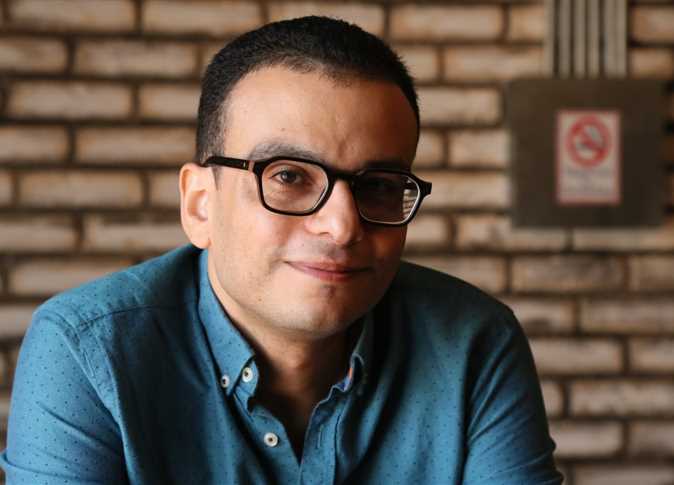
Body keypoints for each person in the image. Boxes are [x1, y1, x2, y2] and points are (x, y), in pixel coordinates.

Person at [0, 16, 562, 485]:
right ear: (200, 205)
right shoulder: (87, 350)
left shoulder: (473, 342)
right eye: (289, 176)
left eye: (379, 185)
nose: (341, 227)